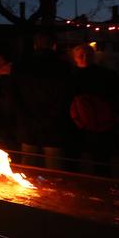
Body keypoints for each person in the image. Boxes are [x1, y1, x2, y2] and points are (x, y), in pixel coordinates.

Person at [10, 32, 73, 170]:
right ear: (54, 46)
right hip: (54, 125)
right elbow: (66, 97)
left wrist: (24, 116)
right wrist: (52, 118)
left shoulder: (20, 65)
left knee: (27, 169)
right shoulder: (64, 67)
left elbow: (13, 96)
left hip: (27, 124)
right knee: (53, 169)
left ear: (35, 45)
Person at [68, 43, 119, 176]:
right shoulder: (70, 76)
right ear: (75, 58)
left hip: (101, 124)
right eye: (82, 55)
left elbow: (116, 96)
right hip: (79, 124)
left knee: (101, 159)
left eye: (88, 55)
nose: (85, 57)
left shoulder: (107, 75)